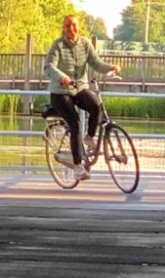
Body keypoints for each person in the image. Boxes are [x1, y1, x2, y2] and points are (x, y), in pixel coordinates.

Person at [43, 15, 121, 181]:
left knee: (95, 107)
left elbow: (96, 63)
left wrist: (111, 67)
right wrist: (61, 77)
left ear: (79, 27)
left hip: (79, 88)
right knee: (75, 123)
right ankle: (78, 166)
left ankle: (89, 138)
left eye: (74, 25)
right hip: (60, 92)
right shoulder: (58, 45)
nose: (71, 29)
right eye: (68, 26)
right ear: (64, 29)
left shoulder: (85, 44)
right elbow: (49, 66)